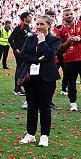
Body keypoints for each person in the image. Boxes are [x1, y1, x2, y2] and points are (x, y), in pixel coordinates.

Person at [17, 16, 62, 147]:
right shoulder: (30, 39)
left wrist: (42, 42)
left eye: (42, 24)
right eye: (37, 24)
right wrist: (38, 59)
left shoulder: (54, 40)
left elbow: (50, 55)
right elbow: (23, 55)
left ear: (49, 25)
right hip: (31, 78)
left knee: (45, 107)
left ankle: (44, 136)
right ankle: (30, 134)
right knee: (31, 107)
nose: (38, 26)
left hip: (47, 77)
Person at [55, 8, 81, 114]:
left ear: (74, 15)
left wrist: (80, 39)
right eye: (66, 15)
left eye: (70, 14)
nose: (69, 16)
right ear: (63, 17)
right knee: (71, 82)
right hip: (69, 59)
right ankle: (73, 103)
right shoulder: (61, 30)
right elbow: (60, 48)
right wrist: (68, 42)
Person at [8, 12, 33, 95]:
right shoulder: (19, 28)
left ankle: (21, 87)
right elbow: (10, 39)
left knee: (23, 68)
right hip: (20, 52)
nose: (31, 18)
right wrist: (15, 49)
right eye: (29, 16)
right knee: (20, 69)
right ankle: (17, 89)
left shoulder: (28, 28)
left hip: (26, 52)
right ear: (25, 18)